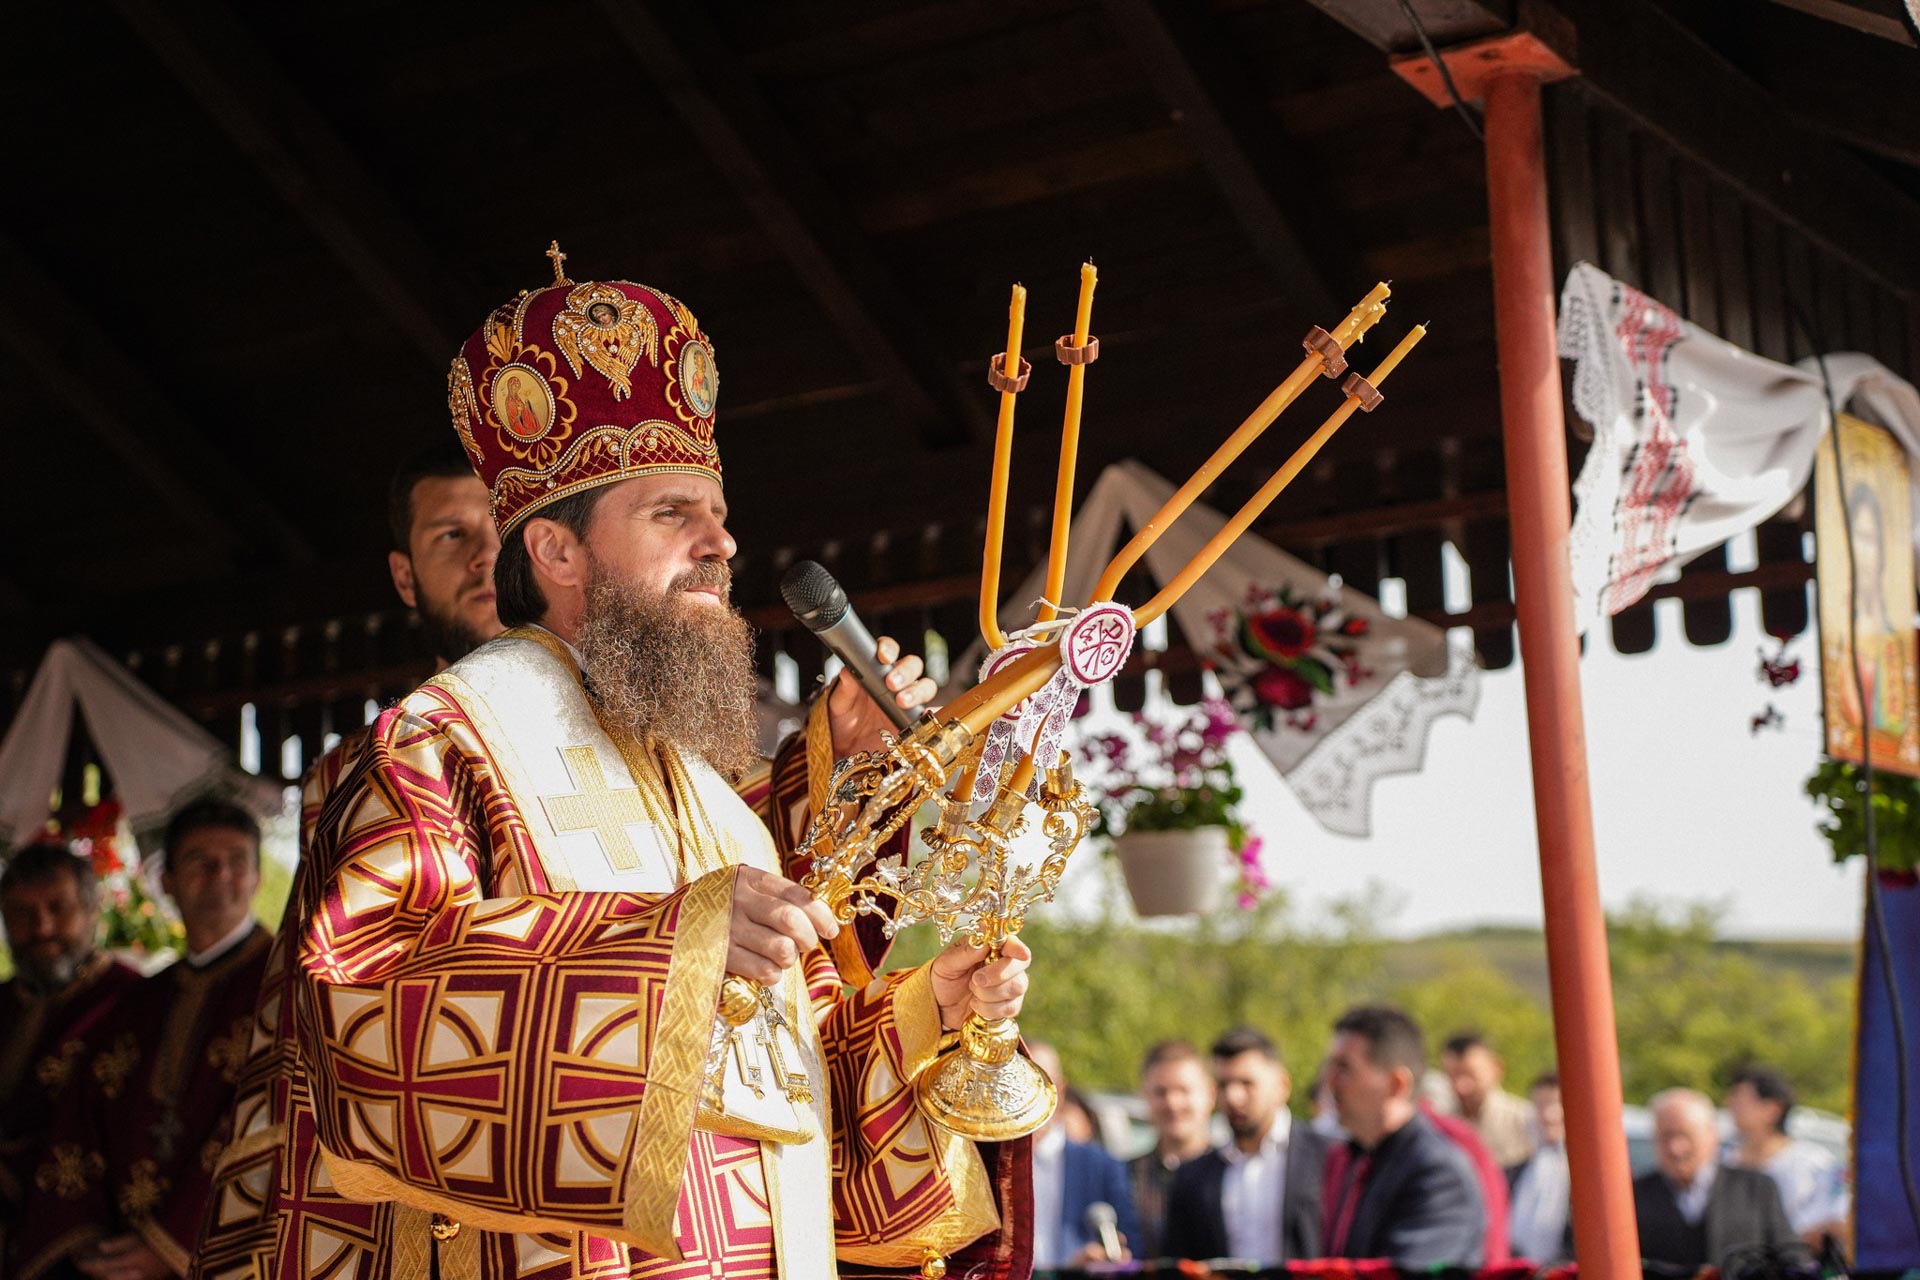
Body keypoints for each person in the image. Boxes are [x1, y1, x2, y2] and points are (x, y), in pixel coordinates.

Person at [200, 266, 1033, 1279]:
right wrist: (672, 944)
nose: (721, 542)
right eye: (673, 512)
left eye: (719, 514)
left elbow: (782, 1079)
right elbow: (361, 1005)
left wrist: (918, 1016)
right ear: (555, 548)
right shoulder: (441, 742)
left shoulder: (706, 794)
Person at [188, 445, 509, 1276]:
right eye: (451, 536)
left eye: (501, 528)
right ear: (405, 577)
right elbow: (315, 1024)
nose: (485, 556)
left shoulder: (625, 744)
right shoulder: (358, 773)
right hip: (427, 1190)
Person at [16, 800, 271, 1280]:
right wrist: (86, 1235)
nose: (220, 874)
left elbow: (275, 1123)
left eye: (237, 861)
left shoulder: (289, 986)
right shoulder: (139, 1004)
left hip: (233, 1254)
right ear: (166, 880)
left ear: (257, 878)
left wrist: (172, 1243)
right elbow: (80, 1119)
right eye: (200, 861)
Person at [0, 846, 143, 1267]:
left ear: (91, 909)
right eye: (21, 913)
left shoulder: (136, 1001)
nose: (41, 927)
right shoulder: (4, 1003)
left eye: (57, 908)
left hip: (87, 1238)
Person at [1322, 1004, 1485, 1268]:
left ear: (1397, 1084)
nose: (1329, 1081)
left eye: (1344, 1068)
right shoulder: (1359, 1157)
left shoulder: (1437, 1174)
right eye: (1331, 1066)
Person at [1164, 1027, 1328, 1265]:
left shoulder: (1328, 1158)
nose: (1233, 1097)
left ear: (1282, 1086)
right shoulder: (1193, 1178)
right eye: (1223, 1084)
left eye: (1247, 1083)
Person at [1633, 1088, 1793, 1273]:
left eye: (1684, 1135)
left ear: (1711, 1134)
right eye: (1665, 1136)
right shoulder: (1634, 1196)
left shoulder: (1757, 1188)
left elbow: (1789, 1257)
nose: (1675, 1148)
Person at [1029, 1041, 1138, 1268]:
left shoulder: (1101, 1166)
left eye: (1039, 1082)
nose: (1028, 1095)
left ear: (1060, 1088)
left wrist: (1102, 1260)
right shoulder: (985, 1167)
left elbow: (1133, 1251)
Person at [1724, 1066, 1847, 1247]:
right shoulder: (1724, 1160)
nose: (1731, 1105)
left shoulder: (1814, 1163)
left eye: (1741, 1100)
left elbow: (1834, 1219)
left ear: (1773, 1108)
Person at [1128, 1039, 1216, 1259]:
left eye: (1184, 1090)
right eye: (1161, 1092)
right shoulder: (1125, 1175)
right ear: (1145, 1096)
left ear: (1210, 1094)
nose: (1173, 1103)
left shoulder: (1231, 1172)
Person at [1442, 1030, 1535, 1168]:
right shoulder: (1441, 1126)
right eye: (1453, 1076)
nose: (1461, 1086)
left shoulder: (1526, 1121)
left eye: (1470, 1075)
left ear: (1496, 1069)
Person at [1507, 1072, 1572, 1264]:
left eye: (1555, 1104)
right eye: (1540, 1105)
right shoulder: (1516, 1172)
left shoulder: (1591, 1177)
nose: (1547, 1115)